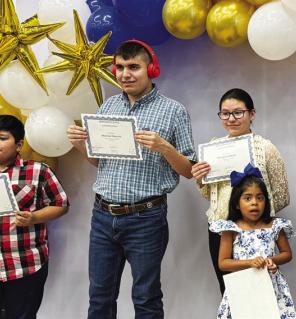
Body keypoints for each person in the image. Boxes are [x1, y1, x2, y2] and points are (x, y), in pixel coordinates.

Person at [66, 40, 196, 318]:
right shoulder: (109, 105)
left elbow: (189, 170)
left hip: (146, 219)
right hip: (102, 216)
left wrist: (164, 147)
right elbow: (99, 161)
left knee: (146, 298)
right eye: (121, 67)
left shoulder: (174, 111)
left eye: (134, 67)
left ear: (151, 69)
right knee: (99, 296)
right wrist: (80, 146)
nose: (125, 74)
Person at [191, 88, 289, 294]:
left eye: (238, 112)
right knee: (229, 292)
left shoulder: (266, 148)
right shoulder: (213, 148)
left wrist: (253, 220)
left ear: (251, 114)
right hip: (221, 231)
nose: (231, 118)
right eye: (225, 113)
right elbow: (211, 196)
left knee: (261, 296)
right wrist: (200, 180)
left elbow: (281, 196)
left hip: (256, 233)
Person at [0, 115, 69, 319]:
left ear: (19, 144)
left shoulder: (37, 171)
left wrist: (33, 217)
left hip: (25, 263)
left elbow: (61, 204)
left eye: (2, 138)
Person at [209, 164, 296, 318]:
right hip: (242, 288)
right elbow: (223, 263)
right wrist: (250, 263)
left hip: (271, 285)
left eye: (260, 198)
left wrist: (270, 260)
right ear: (237, 203)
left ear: (266, 202)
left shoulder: (275, 225)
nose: (254, 203)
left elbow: (287, 254)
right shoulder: (230, 229)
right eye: (247, 198)